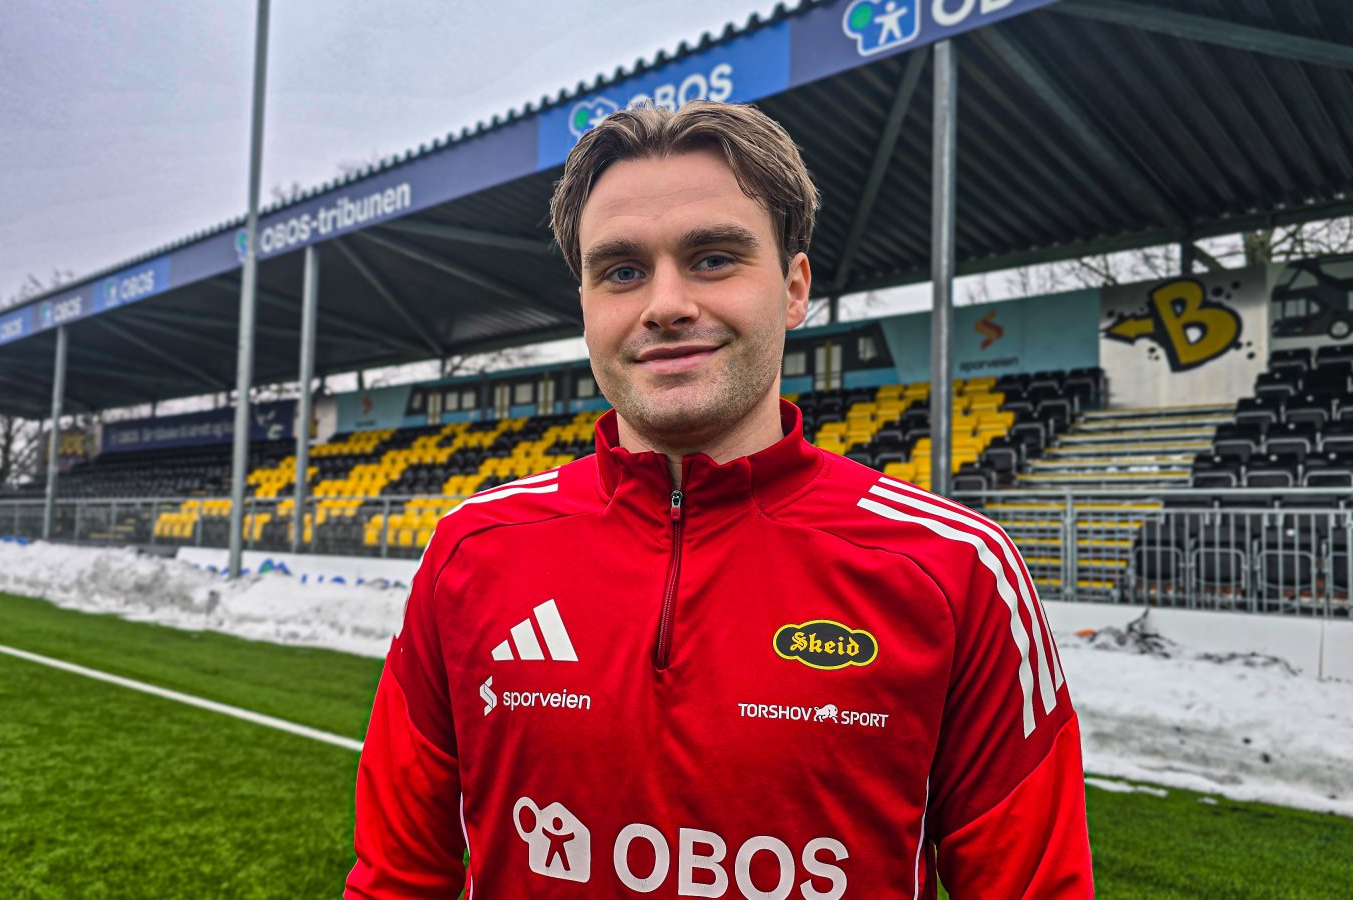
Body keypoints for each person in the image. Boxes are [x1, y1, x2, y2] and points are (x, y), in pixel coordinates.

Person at [346, 100, 1092, 898]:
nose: (665, 304)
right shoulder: (472, 550)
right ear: (586, 305)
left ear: (794, 288)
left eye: (712, 258)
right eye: (622, 271)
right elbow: (397, 881)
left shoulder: (954, 571)